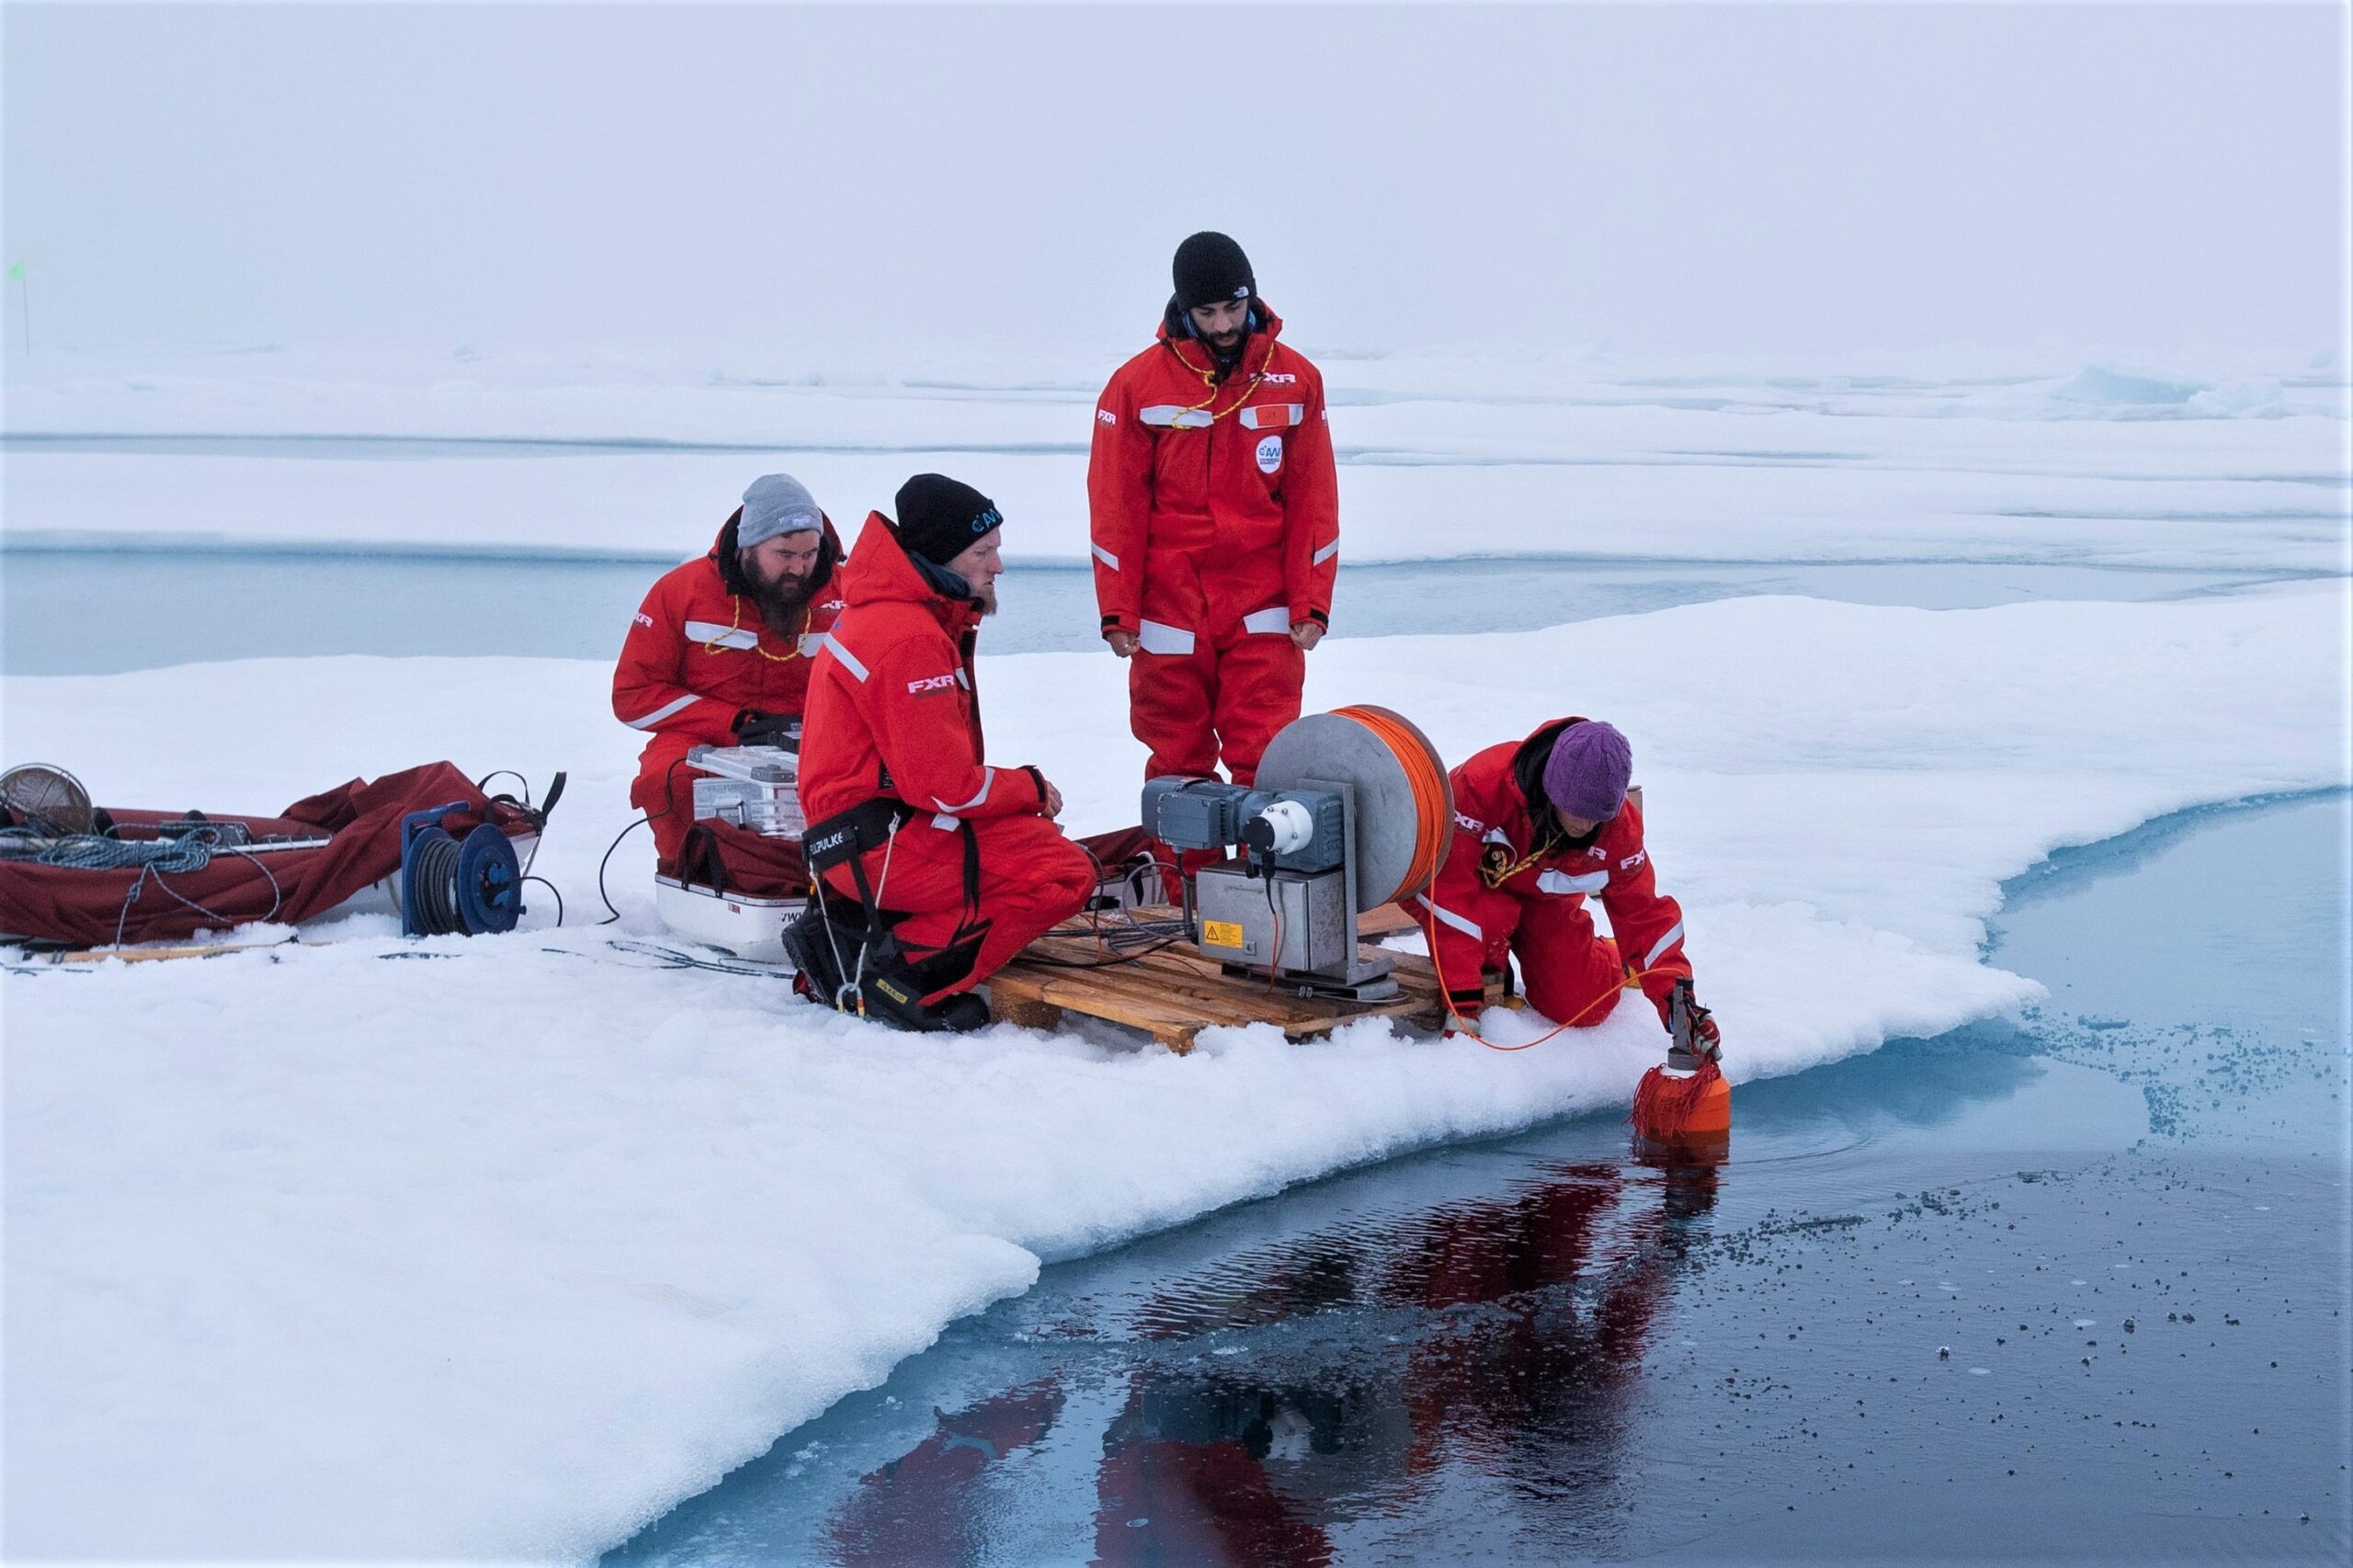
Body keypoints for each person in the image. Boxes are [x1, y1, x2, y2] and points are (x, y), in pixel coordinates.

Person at [790, 473, 1095, 1032]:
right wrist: (1027, 788)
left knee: (1034, 844)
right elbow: (944, 787)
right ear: (942, 557)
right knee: (1062, 872)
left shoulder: (890, 613)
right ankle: (890, 975)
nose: (997, 566)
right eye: (983, 551)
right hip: (881, 845)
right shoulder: (910, 637)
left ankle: (872, 930)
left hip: (860, 837)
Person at [1088, 231, 1340, 794]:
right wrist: (1118, 610)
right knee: (1178, 765)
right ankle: (1186, 883)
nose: (1225, 324)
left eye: (1235, 307)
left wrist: (1312, 601)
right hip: (1169, 602)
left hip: (1262, 602)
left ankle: (1267, 881)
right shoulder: (1135, 386)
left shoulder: (1297, 380)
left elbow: (1313, 502)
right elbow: (1115, 509)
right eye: (1208, 312)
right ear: (1183, 308)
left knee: (1269, 760)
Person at [1410, 718, 1721, 1049]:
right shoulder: (1479, 785)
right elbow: (1446, 893)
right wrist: (1462, 1004)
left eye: (1598, 815)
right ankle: (1494, 968)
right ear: (1551, 789)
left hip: (1544, 899)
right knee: (1492, 919)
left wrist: (1678, 1003)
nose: (1586, 825)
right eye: (1577, 811)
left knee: (1583, 1004)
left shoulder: (1620, 831)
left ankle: (1615, 957)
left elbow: (1643, 915)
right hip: (1476, 894)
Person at [611, 473, 845, 870]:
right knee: (669, 780)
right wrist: (733, 722)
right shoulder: (680, 592)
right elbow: (634, 695)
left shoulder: (848, 594)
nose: (800, 568)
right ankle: (695, 877)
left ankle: (836, 886)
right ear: (748, 546)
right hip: (706, 734)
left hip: (816, 735)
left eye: (809, 554)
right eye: (785, 554)